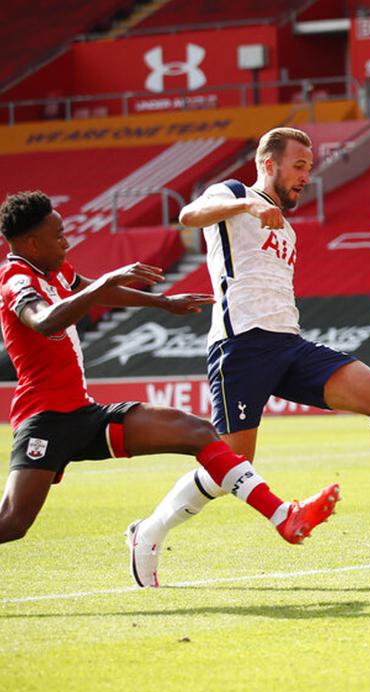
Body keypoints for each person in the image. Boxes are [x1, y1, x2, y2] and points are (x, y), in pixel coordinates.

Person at [128, 128, 370, 586]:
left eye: (309, 169)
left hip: (288, 344)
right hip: (240, 349)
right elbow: (189, 214)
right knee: (229, 467)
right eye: (298, 166)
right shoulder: (235, 193)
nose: (305, 178)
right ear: (268, 164)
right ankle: (148, 532)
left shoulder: (285, 226)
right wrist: (246, 204)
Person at [0, 191, 340, 578]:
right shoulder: (14, 281)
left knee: (198, 432)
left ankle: (284, 517)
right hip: (44, 422)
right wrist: (103, 284)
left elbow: (94, 288)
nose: (66, 241)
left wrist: (163, 302)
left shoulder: (53, 270)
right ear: (30, 243)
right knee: (13, 523)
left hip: (84, 413)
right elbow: (45, 321)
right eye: (58, 234)